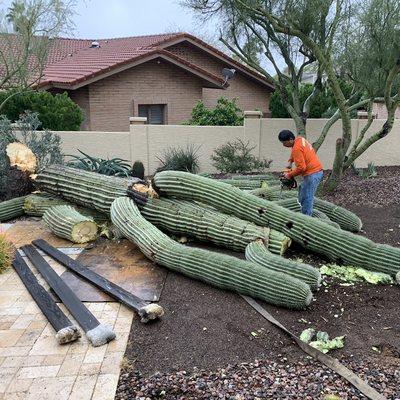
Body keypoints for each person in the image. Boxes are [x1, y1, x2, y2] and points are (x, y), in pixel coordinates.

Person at [278, 130, 323, 216]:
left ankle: (306, 219)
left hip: (312, 174)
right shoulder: (300, 139)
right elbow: (294, 151)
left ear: (290, 139)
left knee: (307, 197)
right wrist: (290, 161)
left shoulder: (296, 148)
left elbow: (302, 168)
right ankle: (303, 212)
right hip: (316, 171)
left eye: (284, 142)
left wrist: (289, 175)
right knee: (303, 192)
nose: (283, 145)